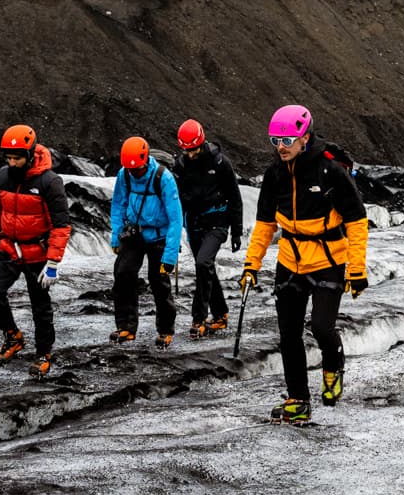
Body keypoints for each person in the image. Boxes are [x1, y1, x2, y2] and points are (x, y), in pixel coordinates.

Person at [239, 103, 370, 425]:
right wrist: (251, 266)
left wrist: (357, 268)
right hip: (290, 260)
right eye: (275, 140)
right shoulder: (273, 175)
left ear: (304, 137)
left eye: (286, 140)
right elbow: (265, 226)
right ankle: (298, 399)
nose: (281, 147)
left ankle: (333, 367)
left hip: (328, 259)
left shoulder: (330, 171)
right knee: (288, 335)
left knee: (322, 327)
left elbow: (356, 221)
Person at [0, 123, 71, 376]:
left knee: (40, 306)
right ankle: (13, 337)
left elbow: (61, 226)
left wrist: (52, 263)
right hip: (8, 249)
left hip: (38, 254)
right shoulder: (3, 176)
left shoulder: (50, 182)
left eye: (17, 158)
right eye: (8, 157)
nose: (12, 162)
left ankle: (43, 353)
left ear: (29, 155)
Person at [109, 136, 183, 347]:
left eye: (138, 169)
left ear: (145, 161)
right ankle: (126, 327)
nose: (134, 173)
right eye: (131, 169)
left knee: (159, 281)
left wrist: (170, 256)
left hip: (159, 236)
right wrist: (116, 236)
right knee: (123, 275)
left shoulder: (164, 178)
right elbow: (118, 205)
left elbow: (176, 218)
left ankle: (165, 330)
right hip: (134, 235)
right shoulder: (125, 175)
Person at [173, 118, 243, 339]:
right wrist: (174, 232)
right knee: (205, 267)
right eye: (186, 150)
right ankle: (221, 314)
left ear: (201, 143)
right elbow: (176, 199)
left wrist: (236, 231)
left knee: (203, 263)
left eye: (193, 149)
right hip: (194, 223)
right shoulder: (181, 165)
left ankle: (199, 318)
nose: (190, 154)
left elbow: (235, 196)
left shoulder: (221, 163)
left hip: (218, 222)